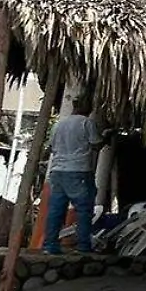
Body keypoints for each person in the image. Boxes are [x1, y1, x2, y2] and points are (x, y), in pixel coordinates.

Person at [40, 98, 104, 254]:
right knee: (83, 209)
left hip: (57, 171)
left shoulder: (58, 124)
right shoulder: (86, 123)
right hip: (78, 170)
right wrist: (106, 137)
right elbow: (96, 144)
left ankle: (50, 245)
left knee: (56, 209)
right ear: (87, 108)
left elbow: (51, 146)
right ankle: (83, 246)